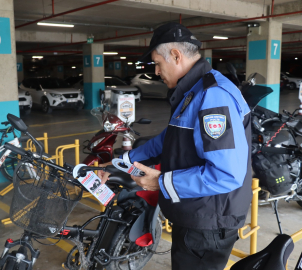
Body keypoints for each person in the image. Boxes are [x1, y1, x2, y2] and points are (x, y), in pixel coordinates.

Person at [98, 22, 252, 270]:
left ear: (176, 56)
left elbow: (226, 174)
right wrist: (121, 163)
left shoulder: (213, 96)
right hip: (196, 210)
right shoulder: (193, 91)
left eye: (158, 63)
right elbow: (168, 138)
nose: (157, 71)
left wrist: (160, 182)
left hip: (208, 221)